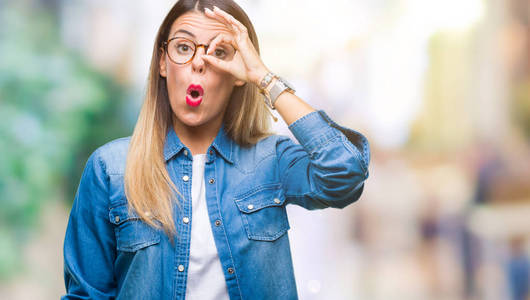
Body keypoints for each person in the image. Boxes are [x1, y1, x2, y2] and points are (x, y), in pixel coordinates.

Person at [62, 0, 370, 299]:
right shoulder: (110, 168)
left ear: (237, 74)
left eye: (219, 52)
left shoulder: (271, 160)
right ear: (162, 62)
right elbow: (87, 295)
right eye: (183, 48)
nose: (199, 62)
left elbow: (345, 171)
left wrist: (263, 78)